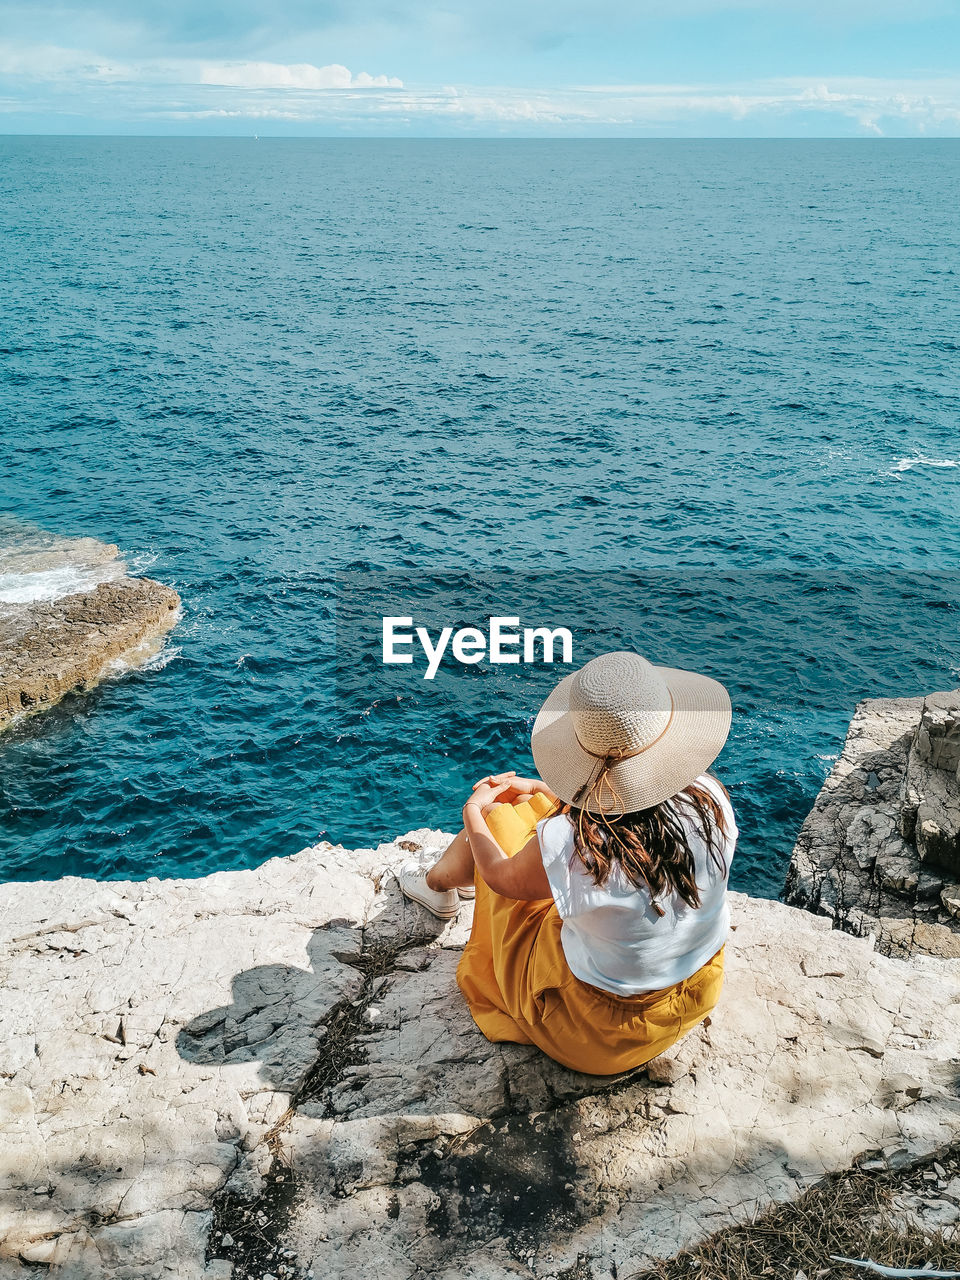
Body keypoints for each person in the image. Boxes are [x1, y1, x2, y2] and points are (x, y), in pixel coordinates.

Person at [398, 650, 737, 1076]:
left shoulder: (575, 842)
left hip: (596, 1036)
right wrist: (544, 790)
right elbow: (628, 813)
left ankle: (437, 885)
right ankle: (446, 880)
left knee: (500, 821)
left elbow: (502, 878)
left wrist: (474, 809)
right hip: (693, 994)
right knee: (540, 809)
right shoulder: (710, 798)